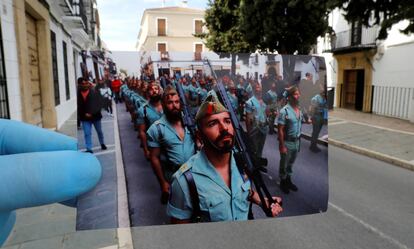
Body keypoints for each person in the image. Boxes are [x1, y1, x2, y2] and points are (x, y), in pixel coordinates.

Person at [167, 92, 282, 223]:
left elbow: (243, 190)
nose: (224, 128)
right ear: (199, 136)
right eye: (212, 123)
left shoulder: (241, 162)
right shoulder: (184, 181)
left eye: (227, 121)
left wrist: (261, 201)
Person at [146, 85, 196, 204]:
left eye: (177, 102)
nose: (174, 105)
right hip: (174, 176)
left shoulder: (190, 123)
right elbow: (154, 157)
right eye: (170, 102)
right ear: (163, 105)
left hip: (196, 173)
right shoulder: (156, 129)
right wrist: (162, 182)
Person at [277, 86, 309, 194]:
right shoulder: (284, 111)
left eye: (298, 94)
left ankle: (288, 180)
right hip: (287, 142)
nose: (298, 96)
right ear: (290, 97)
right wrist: (282, 146)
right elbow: (280, 130)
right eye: (295, 94)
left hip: (296, 142)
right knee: (284, 164)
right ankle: (283, 181)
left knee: (291, 163)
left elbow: (302, 122)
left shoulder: (299, 109)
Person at [77, 77, 107, 153]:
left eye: (86, 83)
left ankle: (102, 143)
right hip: (85, 118)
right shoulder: (77, 94)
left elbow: (100, 104)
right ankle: (89, 148)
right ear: (79, 84)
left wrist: (91, 113)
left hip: (96, 116)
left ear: (88, 83)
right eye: (82, 84)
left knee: (99, 131)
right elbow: (78, 107)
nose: (84, 85)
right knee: (87, 133)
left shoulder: (94, 91)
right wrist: (84, 114)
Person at [137, 81, 163, 159]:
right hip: (153, 144)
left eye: (156, 88)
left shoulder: (167, 105)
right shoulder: (143, 110)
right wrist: (146, 150)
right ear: (148, 93)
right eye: (151, 89)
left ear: (159, 91)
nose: (154, 91)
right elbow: (142, 131)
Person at [245, 82, 268, 157]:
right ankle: (254, 164)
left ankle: (259, 161)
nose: (260, 89)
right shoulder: (250, 102)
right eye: (258, 87)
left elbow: (265, 114)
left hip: (263, 128)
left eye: (260, 87)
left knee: (260, 147)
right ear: (254, 89)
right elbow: (248, 119)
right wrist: (249, 132)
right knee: (254, 147)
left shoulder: (264, 101)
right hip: (255, 128)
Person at [309, 84, 327, 153]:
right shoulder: (315, 98)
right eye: (323, 91)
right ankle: (312, 146)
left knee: (317, 132)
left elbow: (325, 108)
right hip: (316, 117)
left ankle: (314, 145)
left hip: (321, 117)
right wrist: (311, 118)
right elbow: (312, 109)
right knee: (315, 132)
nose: (324, 92)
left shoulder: (324, 98)